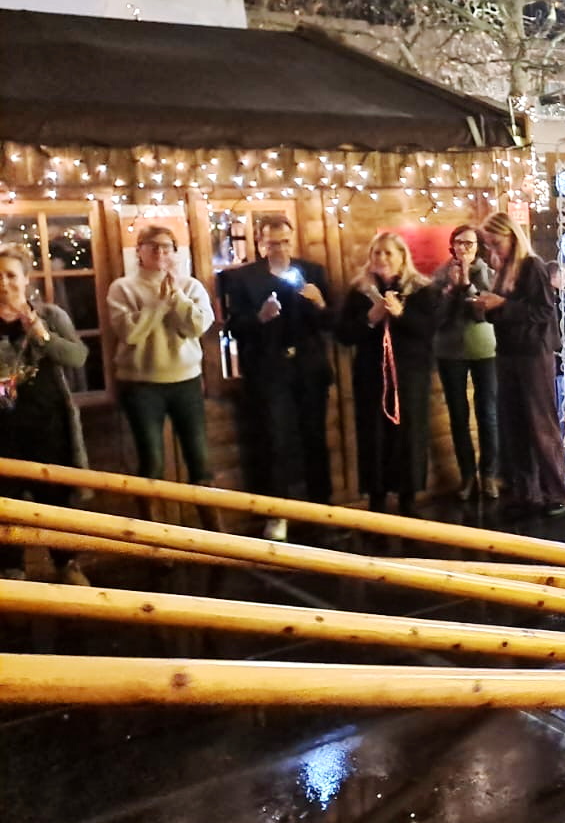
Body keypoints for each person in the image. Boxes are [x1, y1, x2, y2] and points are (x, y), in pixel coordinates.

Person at [219, 214, 336, 541]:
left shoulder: (312, 272)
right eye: (272, 244)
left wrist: (320, 302)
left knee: (315, 439)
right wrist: (259, 318)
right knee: (274, 441)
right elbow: (233, 328)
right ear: (260, 244)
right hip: (269, 372)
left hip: (309, 370)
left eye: (285, 242)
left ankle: (322, 509)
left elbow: (331, 323)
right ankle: (277, 513)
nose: (280, 249)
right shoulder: (243, 278)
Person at [106, 225, 217, 517]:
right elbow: (130, 333)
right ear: (139, 251)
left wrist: (177, 297)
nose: (160, 252)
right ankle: (153, 533)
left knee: (200, 460)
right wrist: (158, 304)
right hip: (140, 385)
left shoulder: (191, 286)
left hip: (186, 381)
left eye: (166, 247)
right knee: (151, 462)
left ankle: (214, 534)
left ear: (175, 252)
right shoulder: (122, 288)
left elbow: (196, 327)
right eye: (152, 246)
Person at [0, 243, 91, 584]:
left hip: (49, 424)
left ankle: (67, 565)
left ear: (26, 279)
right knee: (5, 504)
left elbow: (78, 357)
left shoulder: (52, 315)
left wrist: (41, 334)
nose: (4, 283)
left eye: (11, 275)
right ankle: (11, 571)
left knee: (56, 500)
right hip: (3, 430)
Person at [336, 232, 441, 516]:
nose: (381, 258)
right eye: (377, 253)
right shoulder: (359, 292)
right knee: (373, 436)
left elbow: (429, 329)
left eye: (388, 253)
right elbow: (344, 334)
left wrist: (400, 314)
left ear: (402, 258)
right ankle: (377, 499)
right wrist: (370, 319)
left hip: (410, 376)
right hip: (371, 377)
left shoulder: (421, 290)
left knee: (409, 435)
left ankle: (408, 498)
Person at [477, 211, 565, 513]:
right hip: (508, 351)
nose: (493, 250)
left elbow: (543, 311)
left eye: (496, 243)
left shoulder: (533, 266)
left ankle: (555, 491)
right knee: (513, 423)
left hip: (533, 354)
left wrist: (503, 303)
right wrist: (486, 307)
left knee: (540, 424)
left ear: (512, 237)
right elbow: (504, 314)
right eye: (488, 244)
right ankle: (526, 490)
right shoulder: (504, 269)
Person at [433, 224, 499, 500]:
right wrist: (451, 291)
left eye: (469, 243)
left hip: (484, 349)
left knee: (488, 414)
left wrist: (467, 286)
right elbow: (436, 317)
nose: (463, 248)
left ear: (478, 248)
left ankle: (489, 475)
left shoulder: (489, 273)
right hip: (449, 351)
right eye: (458, 243)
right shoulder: (440, 275)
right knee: (458, 416)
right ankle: (468, 477)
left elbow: (484, 313)